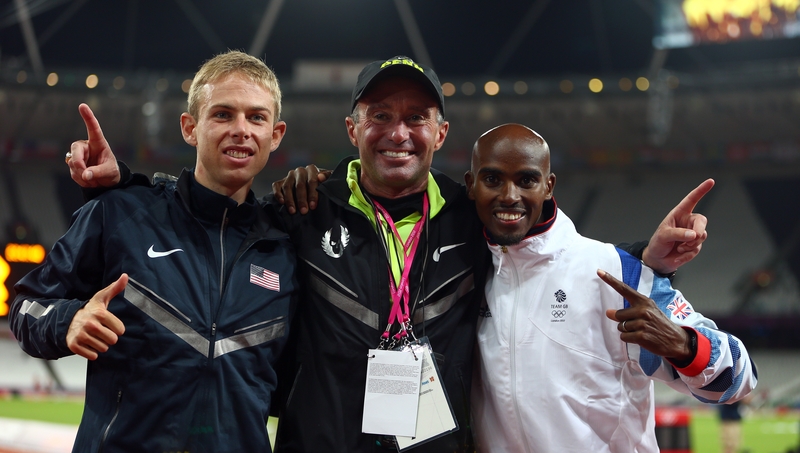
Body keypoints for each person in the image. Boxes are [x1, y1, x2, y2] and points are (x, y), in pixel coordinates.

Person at [65, 56, 710, 452]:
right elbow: (213, 219)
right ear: (353, 129)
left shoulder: (474, 214)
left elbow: (545, 252)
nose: (398, 131)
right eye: (379, 113)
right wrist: (128, 185)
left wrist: (641, 258)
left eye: (417, 116)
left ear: (440, 132)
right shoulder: (302, 208)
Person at [9, 50, 296, 453]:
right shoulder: (120, 215)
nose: (241, 129)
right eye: (222, 114)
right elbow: (25, 304)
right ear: (189, 127)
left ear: (275, 134)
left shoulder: (285, 250)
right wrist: (68, 321)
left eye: (256, 117)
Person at [466, 123, 758, 453]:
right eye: (492, 179)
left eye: (526, 180)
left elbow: (741, 377)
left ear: (548, 186)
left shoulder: (617, 273)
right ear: (470, 185)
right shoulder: (466, 275)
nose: (509, 195)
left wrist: (683, 345)